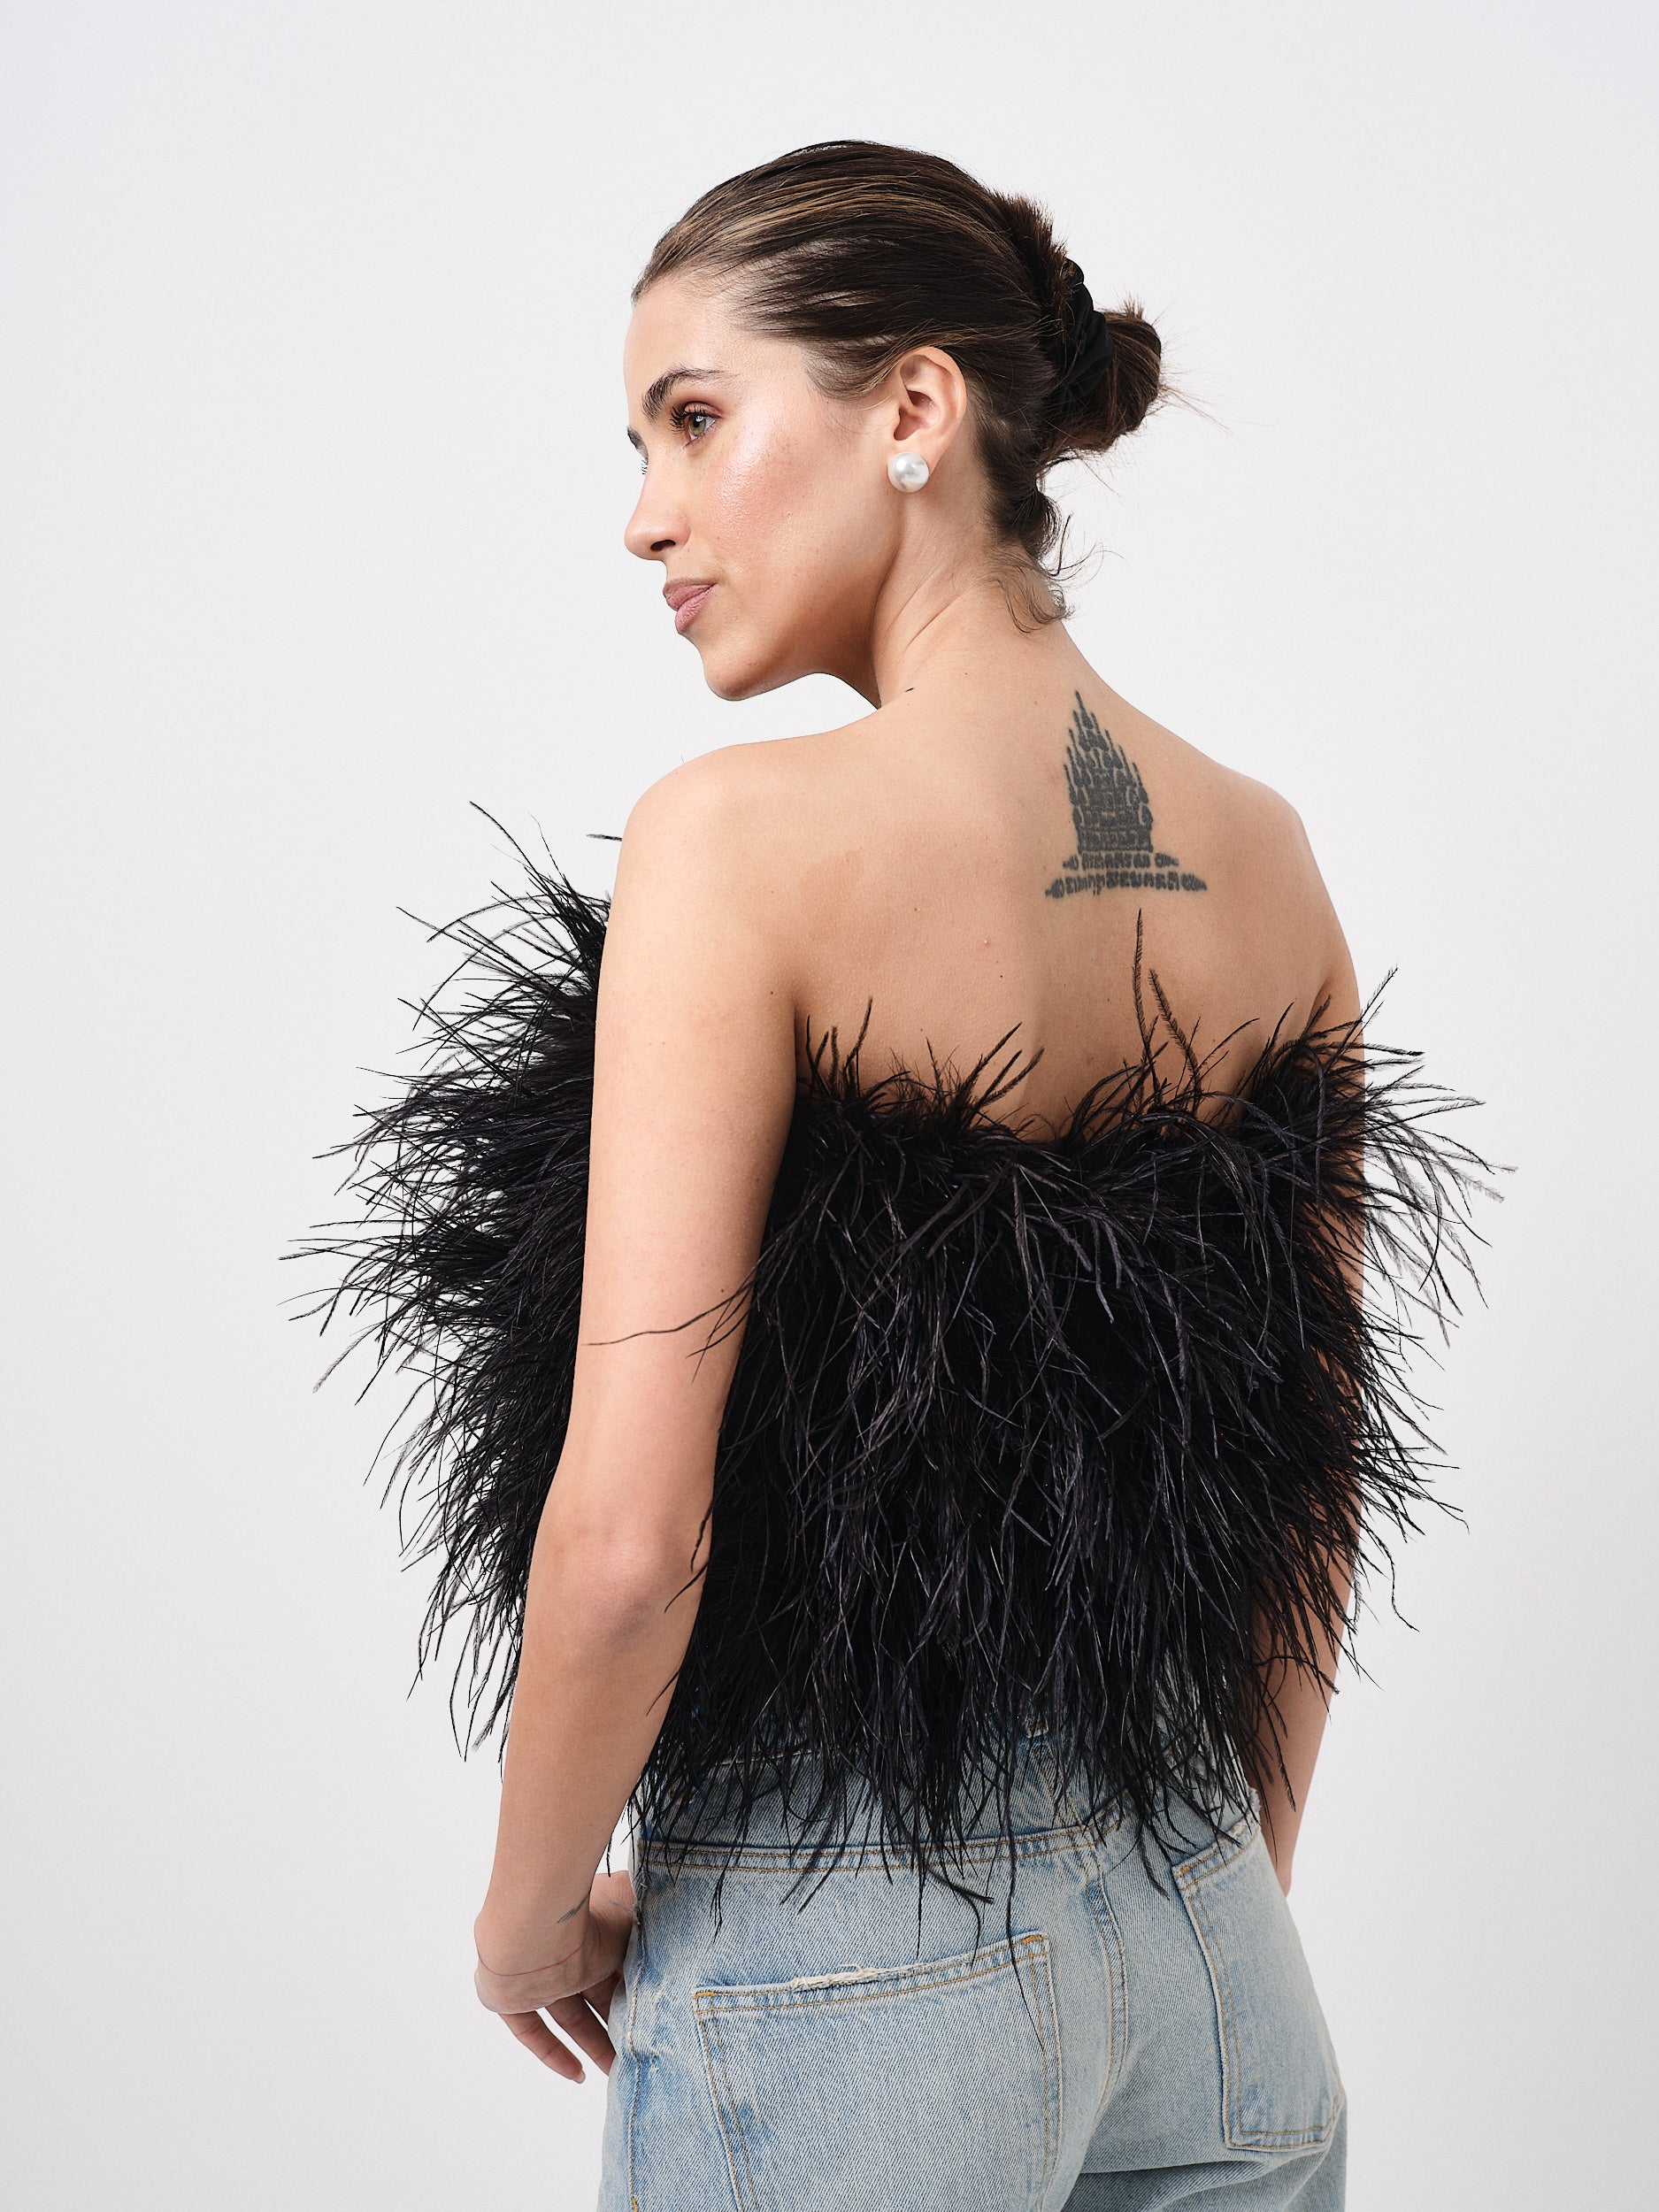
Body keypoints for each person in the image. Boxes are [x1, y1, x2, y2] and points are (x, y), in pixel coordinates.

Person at [309, 141, 1488, 2209]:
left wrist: (526, 1909)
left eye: (693, 417)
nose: (645, 511)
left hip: (846, 1939)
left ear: (914, 409)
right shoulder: (1268, 854)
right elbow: (1302, 1491)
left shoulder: (739, 842)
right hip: (1214, 1946)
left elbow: (628, 1541)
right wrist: (1195, 1896)